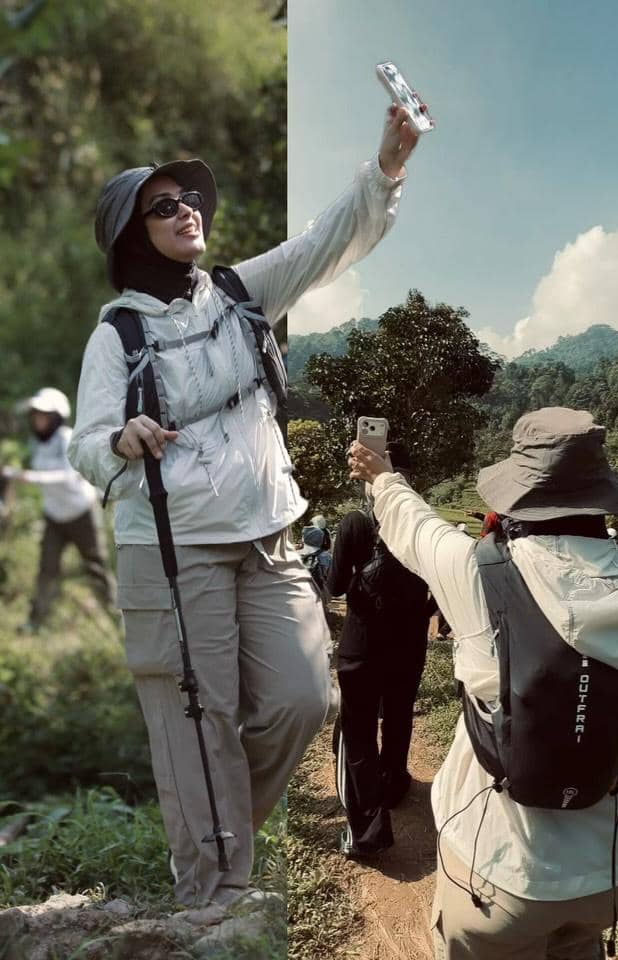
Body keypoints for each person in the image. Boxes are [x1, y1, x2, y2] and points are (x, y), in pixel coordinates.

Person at [67, 102, 426, 908]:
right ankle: (211, 893)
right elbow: (83, 445)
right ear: (131, 234)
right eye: (163, 205)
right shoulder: (115, 337)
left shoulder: (238, 294)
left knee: (304, 698)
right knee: (199, 722)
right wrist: (119, 439)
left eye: (187, 199)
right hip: (173, 548)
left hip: (269, 541)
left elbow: (324, 243)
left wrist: (388, 167)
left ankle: (220, 838)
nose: (186, 209)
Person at [348, 407, 618, 960]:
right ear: (600, 495)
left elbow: (413, 525)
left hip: (495, 871)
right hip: (607, 870)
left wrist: (382, 475)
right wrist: (598, 728)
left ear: (514, 493)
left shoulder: (476, 572)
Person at [328, 440, 431, 857]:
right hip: (408, 645)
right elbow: (439, 593)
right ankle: (394, 783)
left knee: (359, 729)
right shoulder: (425, 526)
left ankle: (369, 829)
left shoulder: (355, 524)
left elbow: (334, 586)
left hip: (362, 645)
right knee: (400, 716)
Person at [1, 388, 115, 631]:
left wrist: (31, 477)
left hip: (80, 513)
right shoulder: (37, 443)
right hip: (54, 516)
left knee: (95, 566)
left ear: (55, 416)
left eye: (43, 414)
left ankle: (114, 616)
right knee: (47, 569)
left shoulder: (67, 438)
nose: (37, 420)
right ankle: (36, 622)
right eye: (35, 415)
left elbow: (69, 476)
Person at [300, 524, 332, 597]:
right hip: (321, 595)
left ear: (305, 538)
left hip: (302, 595)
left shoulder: (296, 555)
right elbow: (331, 578)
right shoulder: (327, 556)